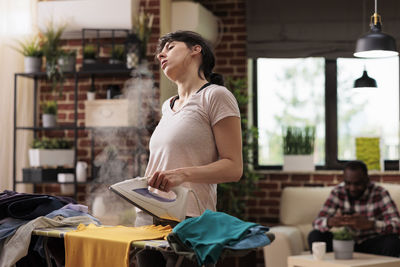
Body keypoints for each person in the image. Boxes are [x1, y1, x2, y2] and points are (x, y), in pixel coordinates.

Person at [135, 30, 243, 266]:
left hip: (190, 221)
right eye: (159, 52)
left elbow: (234, 168)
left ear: (196, 50)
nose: (161, 55)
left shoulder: (215, 96)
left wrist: (182, 175)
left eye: (170, 47)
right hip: (149, 219)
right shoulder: (168, 106)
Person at [308, 160, 400, 257]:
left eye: (358, 184)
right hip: (345, 243)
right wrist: (330, 222)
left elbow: (397, 225)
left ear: (367, 180)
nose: (352, 188)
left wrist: (371, 224)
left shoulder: (380, 193)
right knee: (315, 235)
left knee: (392, 242)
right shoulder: (338, 192)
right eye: (348, 183)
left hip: (372, 242)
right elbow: (316, 222)